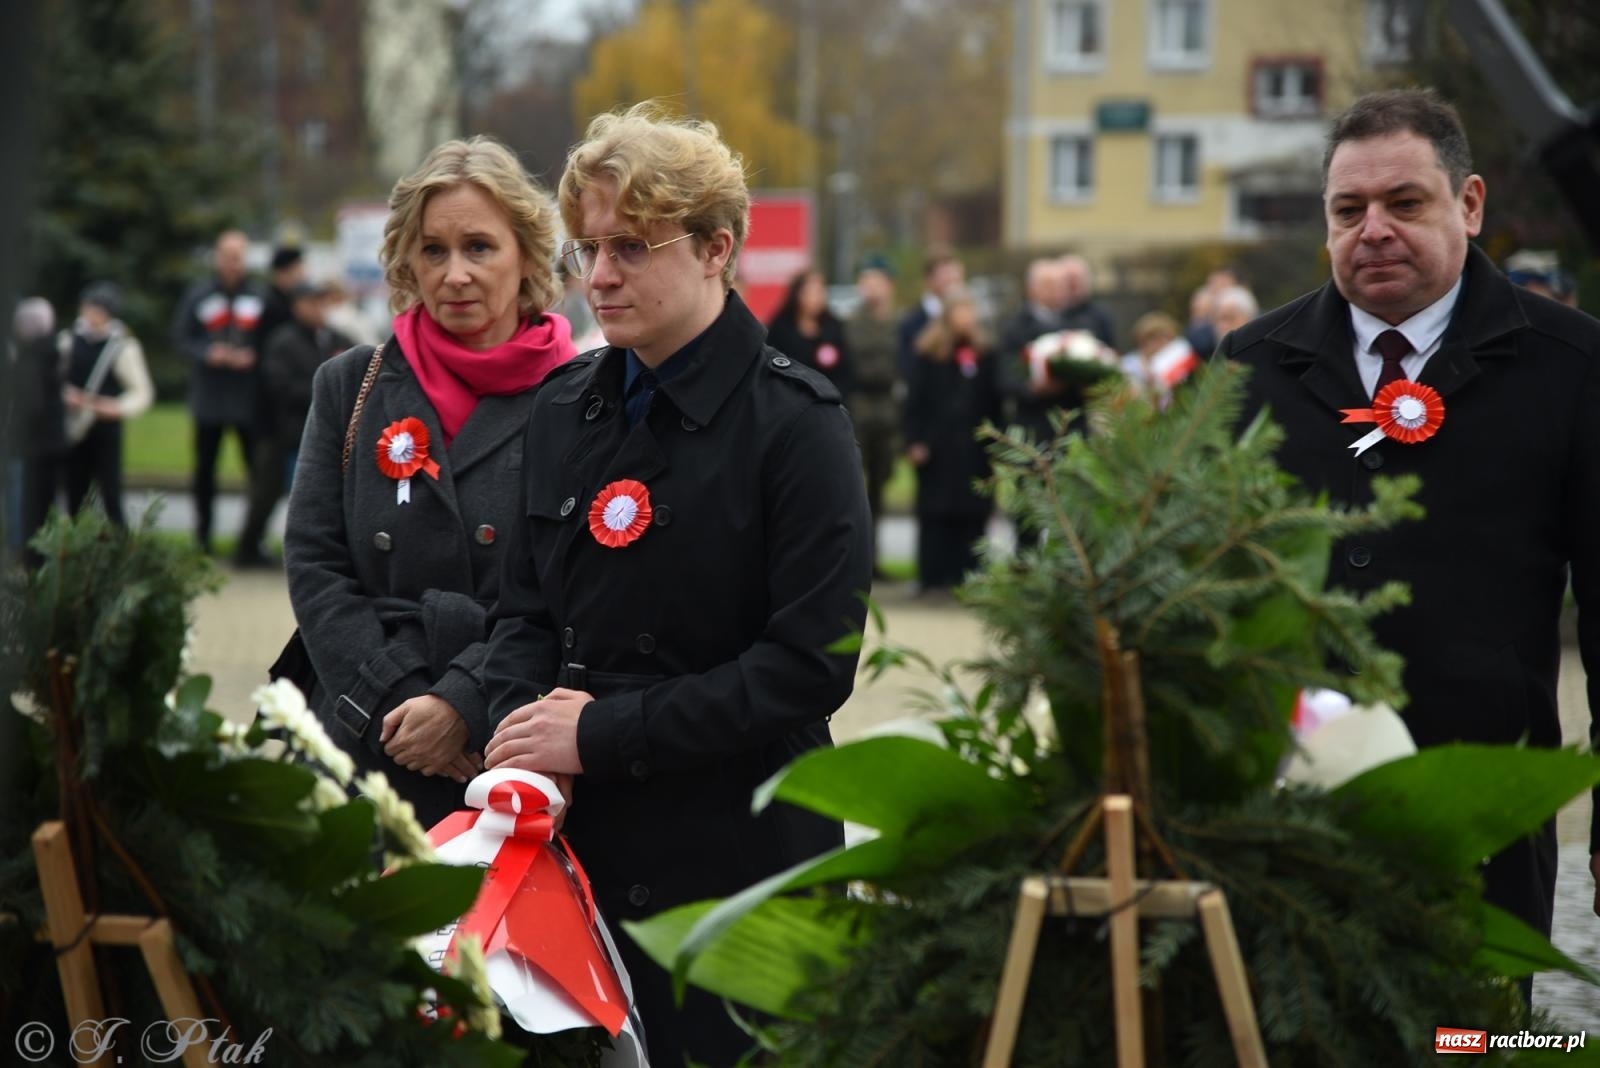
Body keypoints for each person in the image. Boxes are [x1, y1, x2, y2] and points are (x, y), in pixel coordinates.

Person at [480, 103, 873, 1067]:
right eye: (586, 250)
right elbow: (522, 614)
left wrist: (602, 734)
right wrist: (522, 746)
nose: (599, 277)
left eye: (630, 248)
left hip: (736, 867)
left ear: (715, 250)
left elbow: (807, 668)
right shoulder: (563, 408)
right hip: (580, 857)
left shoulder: (797, 422)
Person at [1220, 88, 1600, 943]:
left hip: (1478, 803)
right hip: (1280, 806)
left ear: (1468, 205)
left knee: (1469, 1043)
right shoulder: (1248, 367)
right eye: (1348, 210)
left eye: (1404, 203)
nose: (1374, 230)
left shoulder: (1570, 366)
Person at [284, 136, 576, 829]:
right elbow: (315, 564)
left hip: (505, 754)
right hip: (365, 743)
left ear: (528, 256)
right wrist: (399, 702)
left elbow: (578, 590)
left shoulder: (578, 398)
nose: (454, 275)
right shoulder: (350, 384)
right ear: (406, 260)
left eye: (480, 247)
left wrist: (464, 704)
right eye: (434, 250)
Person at [237, 282, 353, 566]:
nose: (319, 309)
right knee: (266, 492)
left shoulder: (334, 338)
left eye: (323, 303)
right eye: (313, 303)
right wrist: (325, 391)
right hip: (282, 432)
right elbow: (279, 385)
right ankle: (248, 548)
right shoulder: (283, 341)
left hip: (324, 431)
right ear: (298, 306)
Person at [905, 287, 1003, 592]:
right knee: (936, 512)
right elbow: (914, 403)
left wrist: (998, 442)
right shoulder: (928, 354)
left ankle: (970, 575)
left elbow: (995, 402)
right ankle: (933, 576)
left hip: (974, 449)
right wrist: (915, 441)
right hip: (938, 447)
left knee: (973, 511)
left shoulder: (986, 355)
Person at [173, 229, 264, 554]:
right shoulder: (198, 295)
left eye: (238, 256)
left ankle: (251, 542)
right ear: (217, 257)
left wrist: (254, 356)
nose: (232, 263)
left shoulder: (259, 296)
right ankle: (203, 540)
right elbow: (181, 338)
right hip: (209, 399)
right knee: (204, 472)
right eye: (227, 255)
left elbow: (270, 339)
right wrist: (207, 353)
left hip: (247, 400)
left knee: (257, 472)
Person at [57, 282, 154, 527]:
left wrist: (115, 407)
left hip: (106, 427)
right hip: (75, 425)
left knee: (111, 491)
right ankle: (76, 546)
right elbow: (52, 379)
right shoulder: (69, 341)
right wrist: (68, 396)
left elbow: (141, 391)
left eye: (97, 309)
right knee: (74, 490)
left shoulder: (122, 346)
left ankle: (118, 547)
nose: (91, 314)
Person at [844, 257, 901, 570]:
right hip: (861, 406)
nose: (869, 288)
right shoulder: (852, 323)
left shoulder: (898, 323)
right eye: (865, 281)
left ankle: (875, 558)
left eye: (876, 280)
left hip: (888, 409)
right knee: (855, 486)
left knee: (882, 484)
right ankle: (856, 559)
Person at [9, 297, 65, 557]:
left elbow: (32, 404)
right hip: (52, 440)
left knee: (29, 503)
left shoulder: (30, 358)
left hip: (32, 442)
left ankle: (30, 554)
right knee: (47, 500)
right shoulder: (54, 352)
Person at [765, 267, 852, 394]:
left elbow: (846, 370)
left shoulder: (833, 327)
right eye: (810, 292)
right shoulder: (780, 327)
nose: (816, 298)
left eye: (820, 292)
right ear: (798, 293)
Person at [897, 247, 964, 381]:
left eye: (955, 274)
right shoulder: (911, 322)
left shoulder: (970, 320)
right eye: (945, 274)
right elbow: (909, 369)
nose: (952, 280)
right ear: (929, 279)